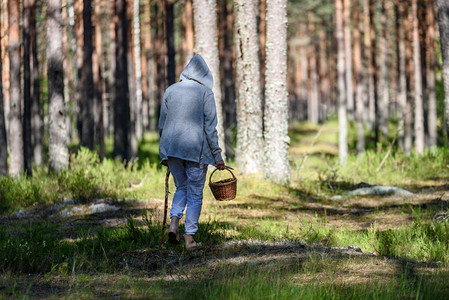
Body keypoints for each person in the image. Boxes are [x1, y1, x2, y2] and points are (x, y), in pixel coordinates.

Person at [158, 54, 225, 250]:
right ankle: (189, 239)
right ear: (206, 75)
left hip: (171, 149)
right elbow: (210, 129)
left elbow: (162, 125)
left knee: (181, 187)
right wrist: (217, 156)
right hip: (195, 151)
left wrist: (167, 150)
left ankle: (174, 223)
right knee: (195, 193)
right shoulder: (205, 93)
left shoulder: (170, 90)